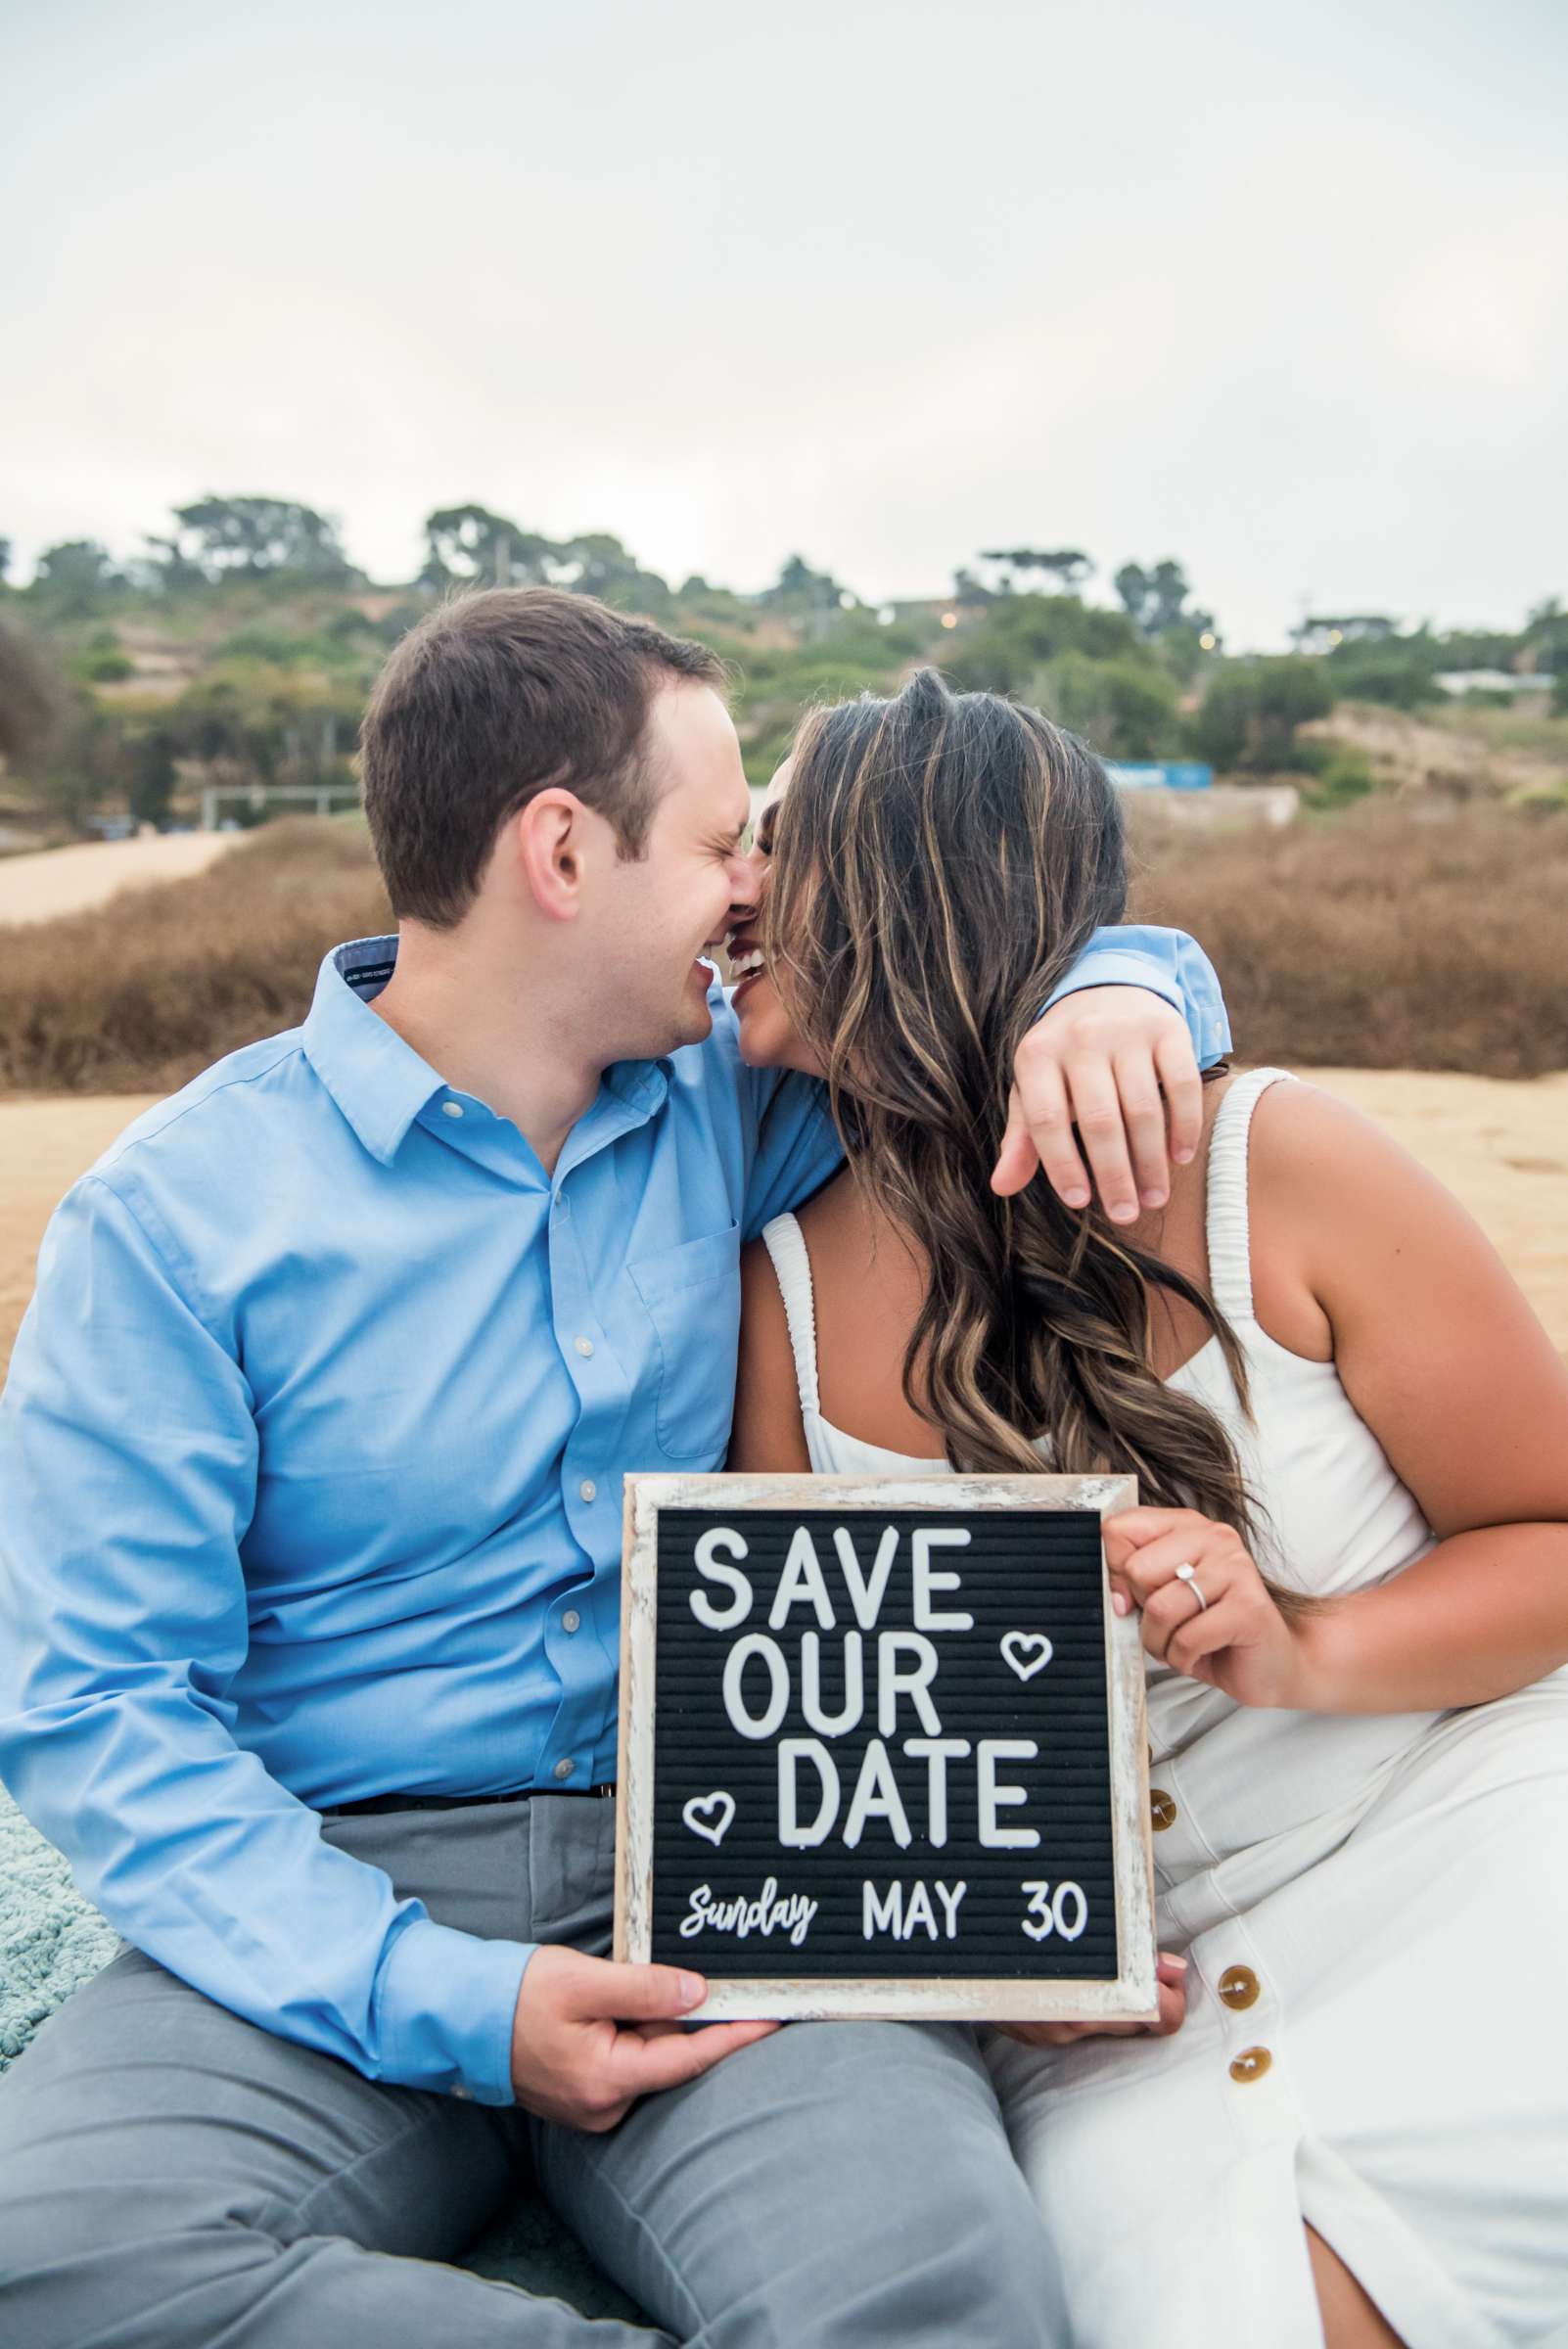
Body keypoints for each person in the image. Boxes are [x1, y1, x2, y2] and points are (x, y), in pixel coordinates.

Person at [0, 591, 1225, 2347]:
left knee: (936, 2289)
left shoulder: (745, 1093)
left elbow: (955, 984)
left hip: (733, 1873)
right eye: (728, 842)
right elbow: (99, 1702)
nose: (757, 892)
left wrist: (1126, 977)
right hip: (326, 1888)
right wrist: (449, 2001)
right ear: (561, 850)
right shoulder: (175, 1223)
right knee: (42, 2266)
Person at [727, 668, 1568, 2349]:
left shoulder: (1277, 1164)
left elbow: (1546, 1533)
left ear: (901, 880)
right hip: (1121, 2026)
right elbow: (816, 1755)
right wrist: (991, 1971)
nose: (730, 883)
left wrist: (1298, 1642)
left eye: (769, 837)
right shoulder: (778, 1300)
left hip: (1462, 1843)